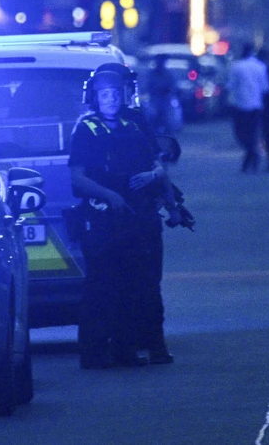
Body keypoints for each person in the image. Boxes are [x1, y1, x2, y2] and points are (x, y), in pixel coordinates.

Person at [69, 65, 175, 369]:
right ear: (95, 98)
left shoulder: (133, 126)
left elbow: (158, 166)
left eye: (115, 94)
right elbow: (78, 179)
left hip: (135, 218)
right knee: (102, 288)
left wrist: (152, 177)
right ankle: (94, 354)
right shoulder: (86, 129)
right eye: (105, 94)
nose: (111, 100)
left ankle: (128, 351)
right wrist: (110, 195)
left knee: (136, 287)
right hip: (103, 220)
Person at [225, 44, 269, 172]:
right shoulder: (260, 67)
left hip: (240, 106)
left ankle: (250, 155)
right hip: (256, 106)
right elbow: (266, 88)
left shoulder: (236, 67)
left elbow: (231, 86)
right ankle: (253, 154)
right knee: (253, 133)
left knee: (241, 133)